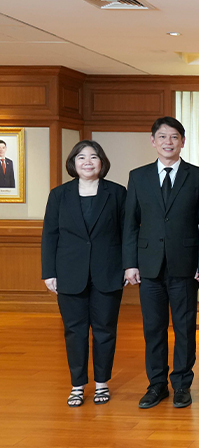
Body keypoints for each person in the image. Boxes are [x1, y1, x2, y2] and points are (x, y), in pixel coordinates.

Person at [123, 117, 199, 409]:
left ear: (182, 141)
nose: (168, 142)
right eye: (162, 137)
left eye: (174, 137)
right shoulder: (138, 176)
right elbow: (130, 223)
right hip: (148, 265)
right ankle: (156, 384)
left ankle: (182, 384)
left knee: (185, 327)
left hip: (186, 265)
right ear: (153, 141)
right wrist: (130, 263)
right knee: (153, 328)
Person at [41, 140, 127, 407]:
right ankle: (77, 385)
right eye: (81, 157)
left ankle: (102, 383)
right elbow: (50, 235)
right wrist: (49, 272)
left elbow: (127, 233)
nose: (87, 162)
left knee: (105, 330)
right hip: (69, 272)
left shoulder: (117, 193)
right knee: (74, 331)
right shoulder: (59, 194)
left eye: (93, 157)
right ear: (73, 163)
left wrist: (128, 266)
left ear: (102, 162)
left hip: (108, 271)